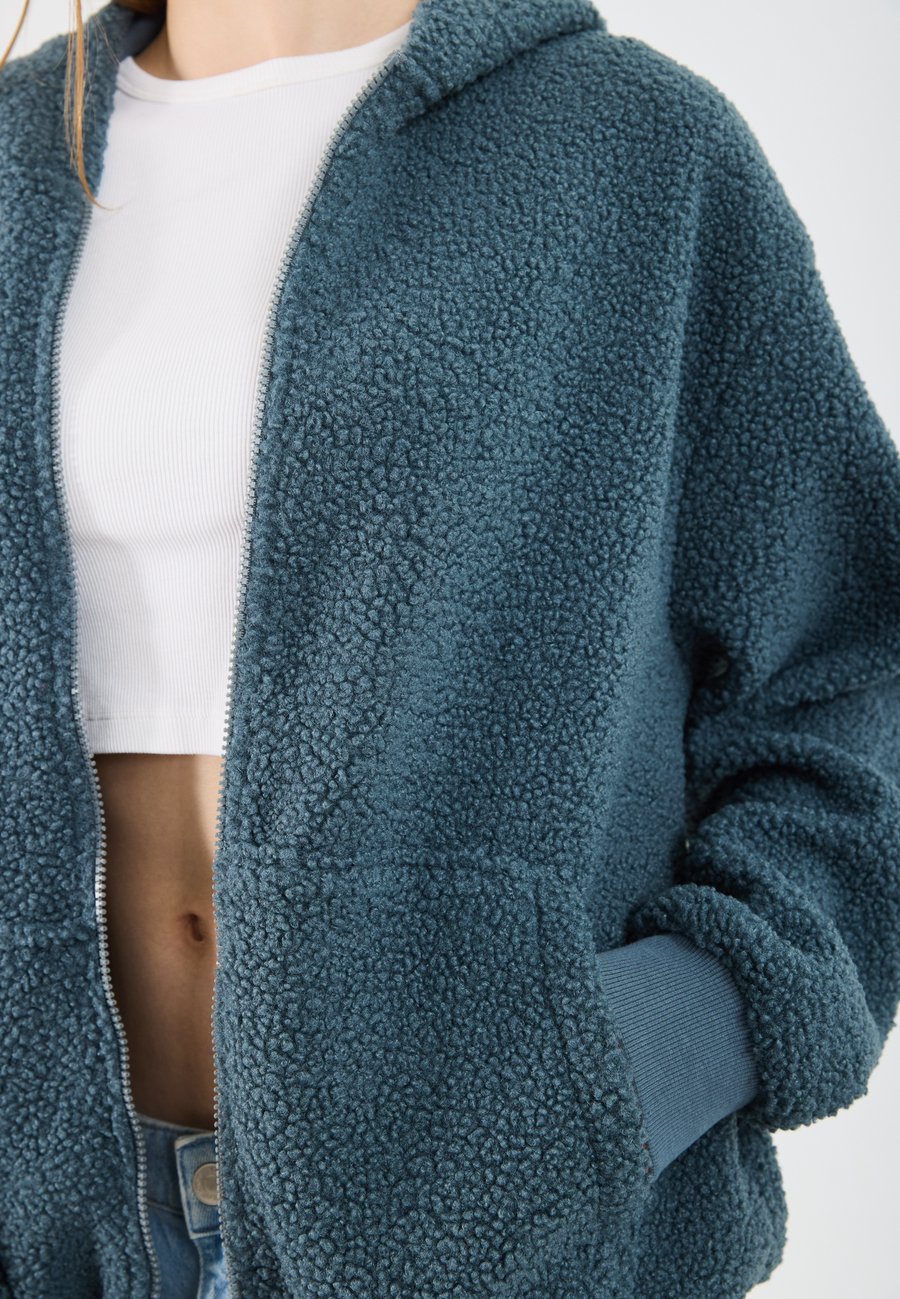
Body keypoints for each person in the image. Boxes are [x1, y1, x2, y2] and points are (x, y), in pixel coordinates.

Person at [0, 0, 897, 1296]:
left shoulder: (634, 150)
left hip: (496, 1237)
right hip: (63, 1230)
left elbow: (853, 679)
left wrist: (650, 1049)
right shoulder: (21, 160)